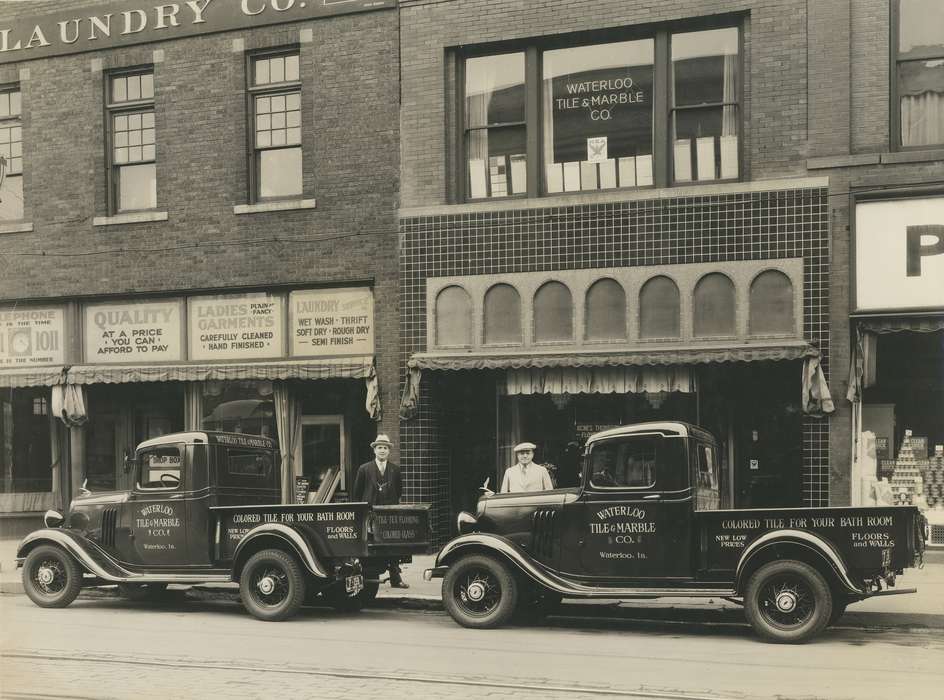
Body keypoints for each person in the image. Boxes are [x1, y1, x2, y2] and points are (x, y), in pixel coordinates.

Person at [353, 433, 409, 588]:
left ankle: (395, 578)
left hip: (389, 514)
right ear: (374, 450)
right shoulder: (364, 469)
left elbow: (399, 492)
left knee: (391, 545)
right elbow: (357, 493)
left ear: (389, 451)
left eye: (385, 448)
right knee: (369, 545)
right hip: (370, 514)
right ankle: (363, 579)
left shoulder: (395, 470)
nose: (382, 450)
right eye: (379, 448)